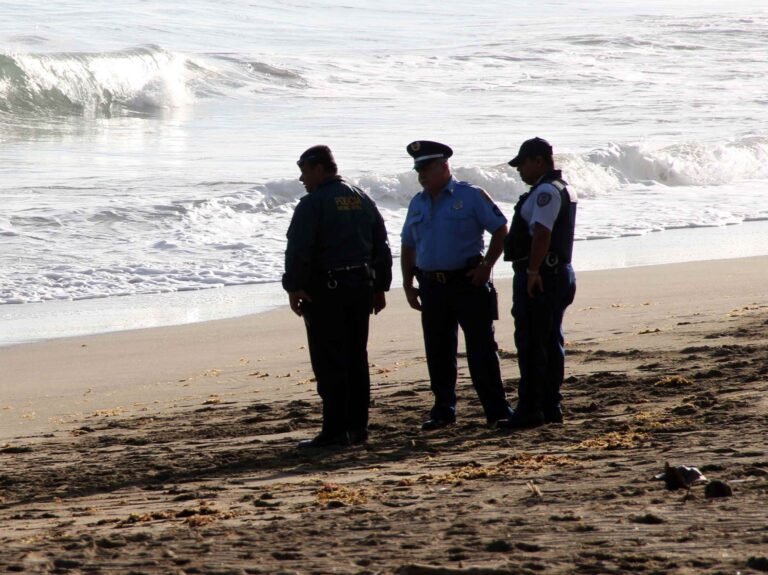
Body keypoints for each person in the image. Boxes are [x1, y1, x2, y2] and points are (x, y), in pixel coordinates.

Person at [282, 145, 393, 448]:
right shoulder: (361, 198)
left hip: (327, 292)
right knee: (356, 358)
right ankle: (357, 428)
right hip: (360, 288)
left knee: (330, 361)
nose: (302, 178)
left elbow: (299, 247)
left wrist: (294, 286)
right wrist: (381, 286)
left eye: (304, 171)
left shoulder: (313, 203)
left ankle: (334, 430)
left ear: (319, 169)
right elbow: (380, 243)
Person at [400, 140, 513, 430]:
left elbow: (501, 228)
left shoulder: (471, 196)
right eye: (419, 170)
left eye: (427, 168)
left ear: (444, 166)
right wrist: (407, 282)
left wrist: (487, 265)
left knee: (481, 350)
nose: (422, 175)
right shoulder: (418, 201)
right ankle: (443, 409)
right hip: (431, 285)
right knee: (438, 351)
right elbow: (408, 244)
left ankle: (497, 409)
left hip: (467, 282)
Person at [499, 137, 577, 429]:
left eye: (523, 164)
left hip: (543, 276)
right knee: (549, 340)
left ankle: (532, 409)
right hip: (557, 273)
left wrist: (532, 272)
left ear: (539, 161)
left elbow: (542, 233)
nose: (520, 170)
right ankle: (549, 404)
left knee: (533, 343)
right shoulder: (560, 188)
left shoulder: (545, 191)